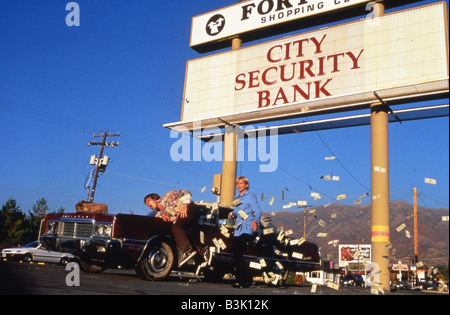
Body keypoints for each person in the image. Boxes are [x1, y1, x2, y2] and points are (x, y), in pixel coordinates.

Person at [144, 190, 199, 267]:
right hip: (185, 216)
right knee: (184, 234)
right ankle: (199, 254)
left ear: (151, 198)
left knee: (176, 227)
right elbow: (174, 218)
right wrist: (169, 218)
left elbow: (186, 192)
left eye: (148, 201)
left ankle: (188, 251)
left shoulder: (167, 196)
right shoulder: (160, 213)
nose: (147, 204)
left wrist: (184, 206)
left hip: (190, 208)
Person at [228, 176, 262, 288]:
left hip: (247, 227)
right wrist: (232, 214)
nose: (238, 186)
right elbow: (236, 211)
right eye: (237, 183)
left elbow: (257, 211)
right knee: (236, 252)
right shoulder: (236, 198)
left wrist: (256, 221)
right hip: (238, 228)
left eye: (241, 183)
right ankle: (245, 279)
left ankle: (242, 280)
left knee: (238, 250)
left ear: (246, 185)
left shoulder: (251, 196)